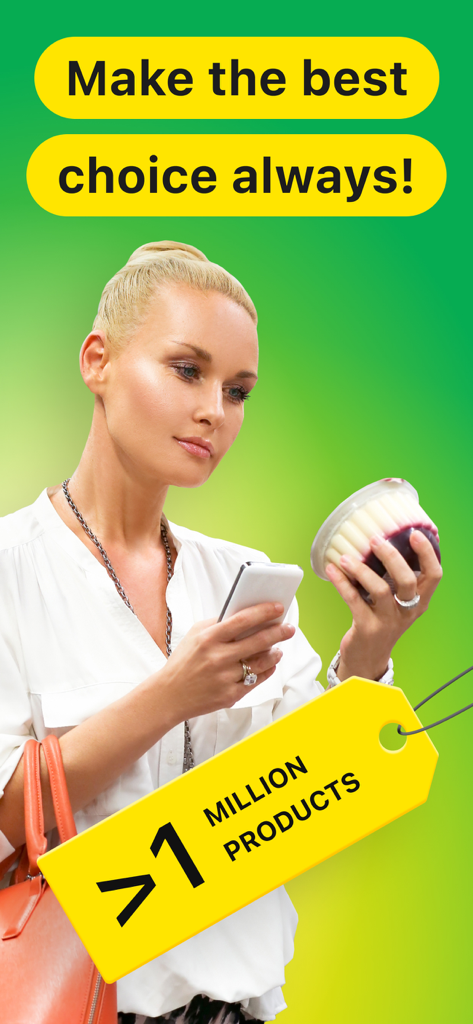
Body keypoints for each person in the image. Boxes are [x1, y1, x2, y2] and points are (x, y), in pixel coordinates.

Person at [0, 241, 442, 1024]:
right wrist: (173, 695)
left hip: (243, 1009)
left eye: (238, 391)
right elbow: (13, 815)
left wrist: (367, 650)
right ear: (97, 361)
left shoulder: (244, 581)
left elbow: (305, 791)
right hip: (81, 1007)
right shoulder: (10, 571)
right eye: (186, 370)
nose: (215, 410)